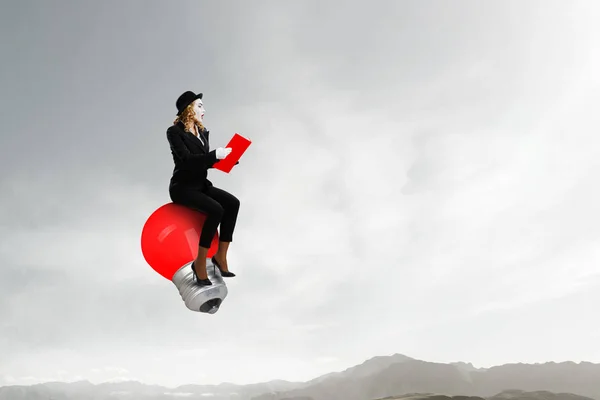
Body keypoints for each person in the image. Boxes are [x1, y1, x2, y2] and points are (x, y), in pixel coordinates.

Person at [166, 90, 240, 286]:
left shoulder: (203, 132)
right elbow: (188, 161)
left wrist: (227, 161)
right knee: (216, 210)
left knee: (233, 203)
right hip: (183, 187)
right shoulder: (174, 133)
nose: (203, 110)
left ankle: (220, 258)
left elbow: (204, 163)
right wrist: (216, 154)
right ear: (188, 109)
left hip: (201, 185)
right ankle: (200, 263)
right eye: (199, 106)